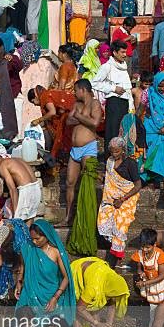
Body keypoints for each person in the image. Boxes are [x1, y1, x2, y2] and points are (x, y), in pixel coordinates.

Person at [15, 220, 76, 324]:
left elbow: (66, 277)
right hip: (31, 293)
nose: (34, 242)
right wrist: (19, 282)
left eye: (37, 239)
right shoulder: (27, 249)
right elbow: (22, 266)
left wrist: (55, 297)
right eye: (32, 238)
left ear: (46, 236)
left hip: (51, 296)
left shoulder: (56, 252)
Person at [71, 257, 129, 327]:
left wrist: (109, 325)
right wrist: (97, 324)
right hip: (77, 272)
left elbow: (112, 303)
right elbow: (79, 309)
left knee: (96, 308)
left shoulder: (114, 281)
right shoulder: (93, 288)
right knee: (78, 314)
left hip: (97, 269)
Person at [97, 137, 141, 268]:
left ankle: (115, 258)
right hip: (111, 199)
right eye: (112, 152)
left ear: (122, 150)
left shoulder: (130, 163)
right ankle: (110, 247)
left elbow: (137, 185)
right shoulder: (109, 161)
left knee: (120, 223)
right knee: (104, 217)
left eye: (116, 151)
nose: (113, 154)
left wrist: (122, 199)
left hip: (127, 198)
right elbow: (109, 181)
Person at [65, 80, 102, 226]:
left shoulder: (95, 104)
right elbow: (68, 121)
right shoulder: (76, 104)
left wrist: (79, 117)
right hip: (75, 150)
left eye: (76, 90)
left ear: (83, 90)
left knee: (88, 181)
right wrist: (82, 118)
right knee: (69, 182)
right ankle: (68, 216)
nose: (74, 93)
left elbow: (95, 123)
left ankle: (87, 217)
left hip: (88, 147)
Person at [137, 72, 164, 189]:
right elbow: (141, 109)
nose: (162, 89)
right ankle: (148, 180)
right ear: (155, 83)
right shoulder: (148, 93)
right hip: (151, 128)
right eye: (160, 86)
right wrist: (134, 121)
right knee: (150, 154)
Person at [91, 40, 132, 155]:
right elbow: (95, 83)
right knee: (112, 131)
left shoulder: (123, 66)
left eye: (125, 52)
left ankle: (120, 158)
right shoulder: (107, 67)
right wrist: (114, 88)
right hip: (114, 102)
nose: (125, 54)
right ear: (114, 52)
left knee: (122, 131)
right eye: (122, 52)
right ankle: (109, 159)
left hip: (124, 102)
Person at [0, 154, 41, 224]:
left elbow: (12, 189)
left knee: (18, 223)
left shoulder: (2, 165)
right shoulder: (17, 159)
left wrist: (15, 213)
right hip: (36, 188)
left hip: (26, 190)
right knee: (29, 220)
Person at [132, 228, 164, 306]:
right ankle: (155, 317)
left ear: (154, 244)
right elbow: (139, 267)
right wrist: (141, 272)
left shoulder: (160, 255)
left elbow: (161, 276)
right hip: (151, 282)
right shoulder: (139, 254)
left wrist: (144, 283)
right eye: (142, 247)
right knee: (153, 304)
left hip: (162, 283)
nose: (144, 250)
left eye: (148, 247)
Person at [0, 38, 23, 132]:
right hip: (2, 98)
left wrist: (11, 59)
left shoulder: (11, 58)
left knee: (17, 121)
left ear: (2, 47)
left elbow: (19, 66)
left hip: (14, 95)